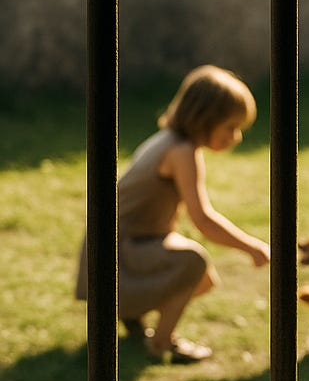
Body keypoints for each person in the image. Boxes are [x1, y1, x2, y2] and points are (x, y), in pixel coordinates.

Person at [76, 64, 271, 362]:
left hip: (125, 242)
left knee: (202, 279)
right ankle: (162, 343)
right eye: (230, 127)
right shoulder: (181, 153)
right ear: (205, 118)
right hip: (118, 251)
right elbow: (203, 219)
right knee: (193, 262)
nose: (236, 137)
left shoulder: (167, 138)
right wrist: (252, 247)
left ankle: (134, 313)